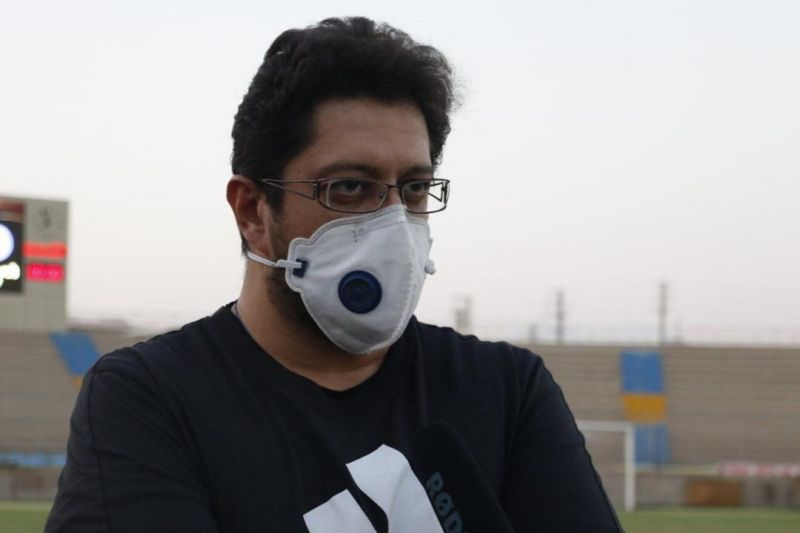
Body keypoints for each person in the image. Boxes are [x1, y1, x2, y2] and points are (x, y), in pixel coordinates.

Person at [46, 16, 622, 532]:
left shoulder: (507, 389)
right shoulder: (151, 397)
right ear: (253, 213)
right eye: (349, 187)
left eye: (414, 189)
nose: (392, 222)